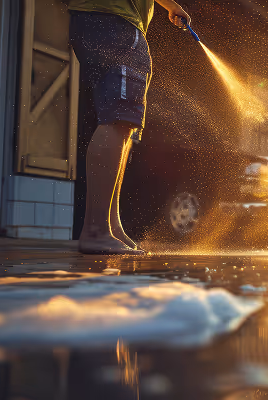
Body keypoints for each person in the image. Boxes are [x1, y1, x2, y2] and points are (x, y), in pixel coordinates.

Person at [67, 0, 190, 254]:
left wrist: (169, 6)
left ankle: (110, 226)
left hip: (98, 20)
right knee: (119, 119)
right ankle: (95, 230)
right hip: (116, 21)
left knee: (123, 124)